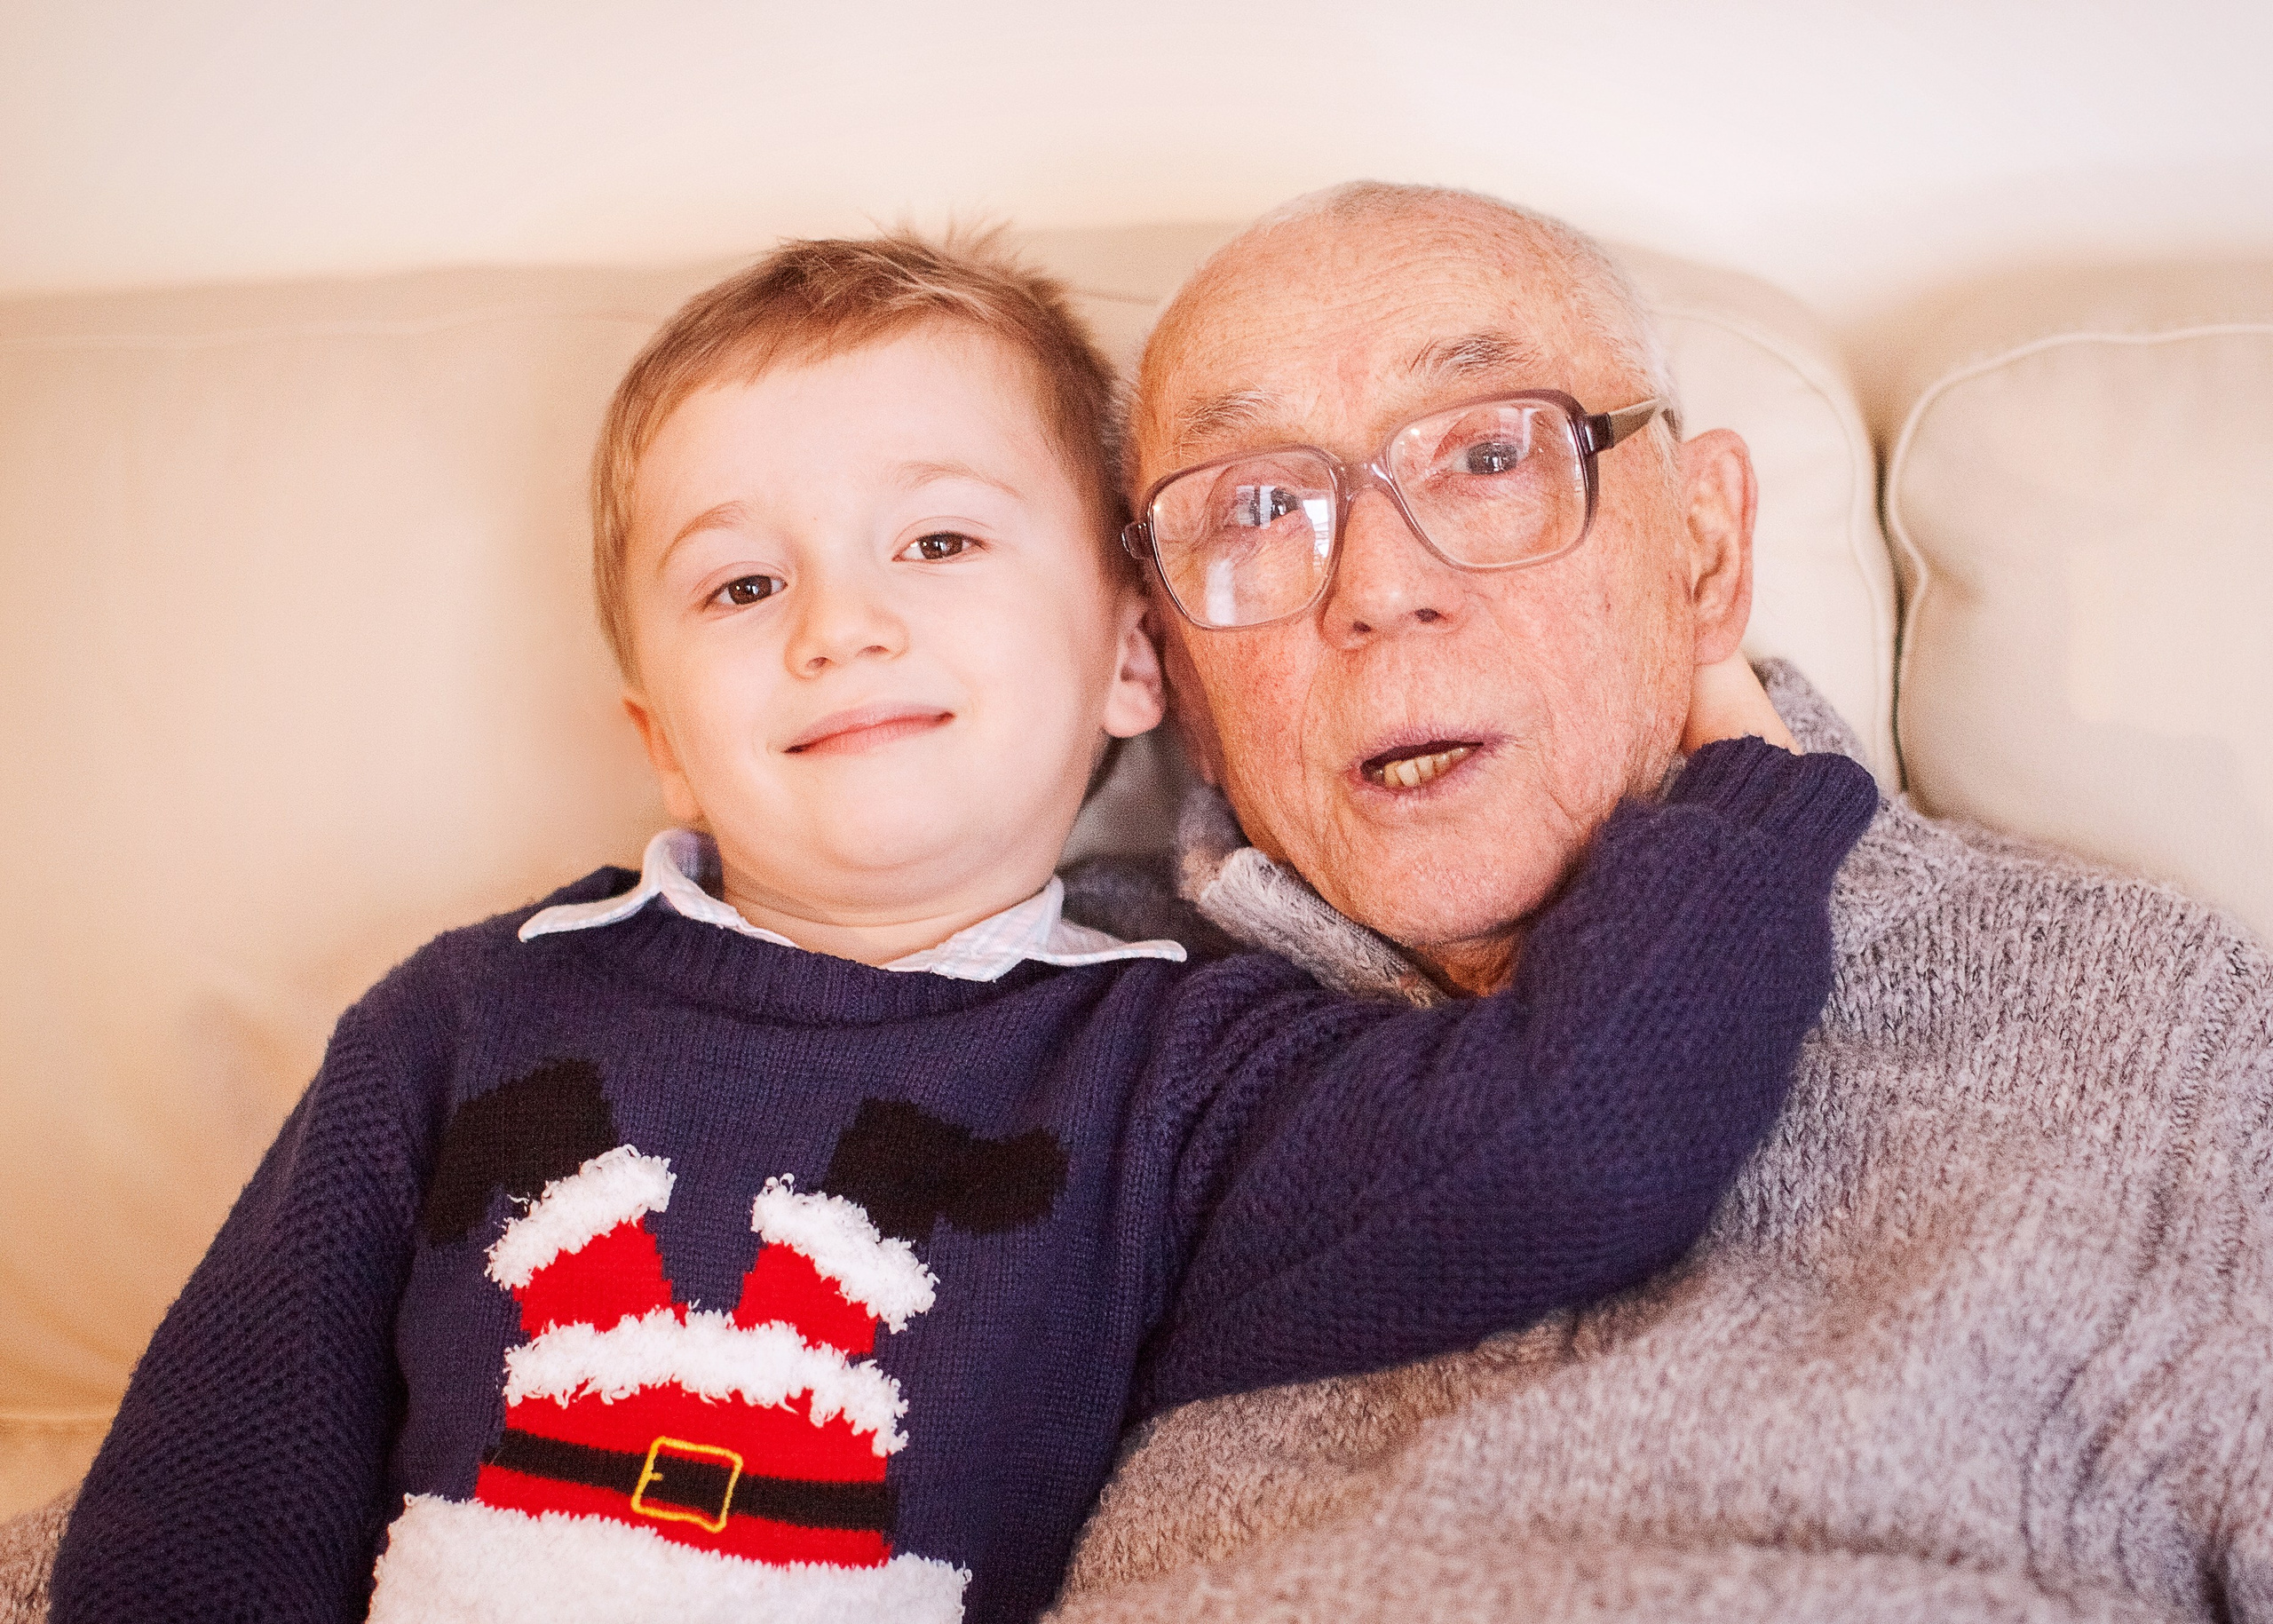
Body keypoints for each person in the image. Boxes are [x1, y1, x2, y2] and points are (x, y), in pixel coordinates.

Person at [44, 234, 1876, 1624]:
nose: (837, 626)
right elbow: (207, 1495)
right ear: (659, 738)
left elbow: (1564, 1150)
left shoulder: (1181, 1061)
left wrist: (1743, 784)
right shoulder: (459, 1023)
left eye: (936, 546)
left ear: (1133, 656)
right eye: (741, 581)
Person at [1047, 183, 2273, 1623]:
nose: (1378, 588)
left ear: (1703, 552)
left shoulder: (2152, 1019)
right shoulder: (1037, 1022)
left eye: (1490, 453)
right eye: (1260, 505)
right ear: (1175, 673)